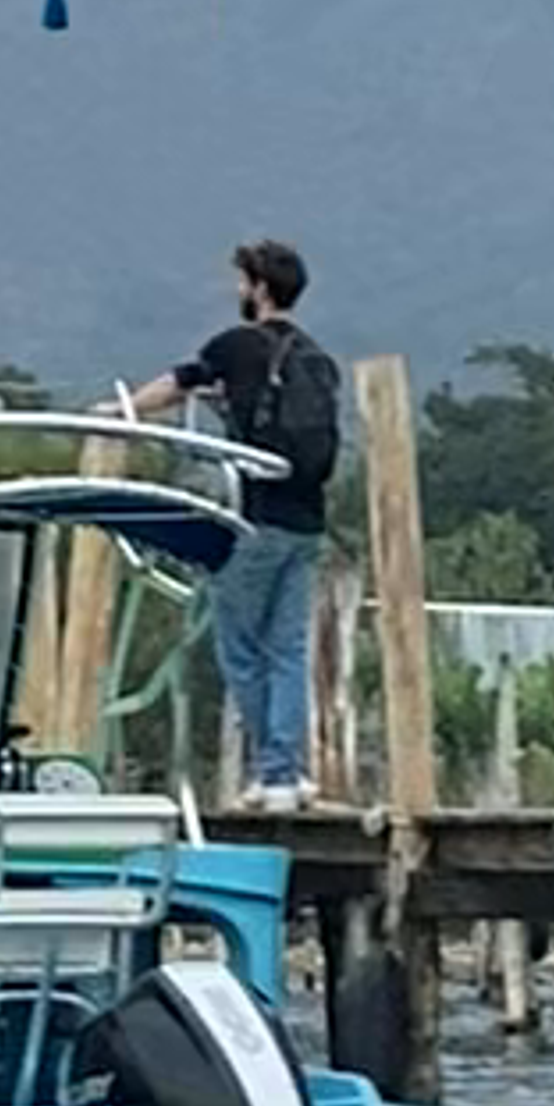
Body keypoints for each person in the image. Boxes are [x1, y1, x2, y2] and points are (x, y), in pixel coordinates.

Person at [134, 237, 342, 811]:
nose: (236, 290)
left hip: (256, 521)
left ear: (259, 288)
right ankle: (290, 773)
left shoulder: (237, 346)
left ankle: (273, 771)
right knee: (288, 649)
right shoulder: (316, 357)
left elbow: (179, 381)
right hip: (306, 522)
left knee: (241, 650)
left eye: (241, 280)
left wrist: (119, 411)